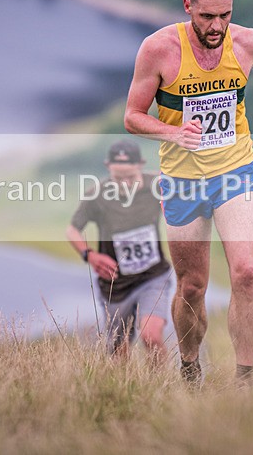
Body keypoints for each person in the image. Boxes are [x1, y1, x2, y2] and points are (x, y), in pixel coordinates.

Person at [124, 0, 253, 387]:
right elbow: (132, 117)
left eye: (224, 15)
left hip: (236, 172)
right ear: (187, 7)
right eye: (206, 16)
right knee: (192, 286)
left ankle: (245, 380)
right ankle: (190, 364)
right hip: (182, 181)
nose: (216, 26)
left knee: (246, 272)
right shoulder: (158, 49)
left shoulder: (248, 42)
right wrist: (173, 132)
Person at [66, 140, 173, 364]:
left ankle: (163, 389)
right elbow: (72, 230)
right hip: (115, 285)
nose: (125, 184)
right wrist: (90, 255)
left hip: (153, 277)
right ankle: (124, 391)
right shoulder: (96, 195)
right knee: (118, 351)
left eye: (130, 178)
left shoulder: (158, 185)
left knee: (151, 335)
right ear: (108, 166)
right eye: (118, 178)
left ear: (141, 165)